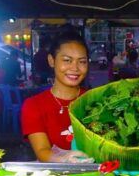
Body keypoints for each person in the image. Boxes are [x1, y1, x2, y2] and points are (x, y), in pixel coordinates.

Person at [21, 32, 92, 163]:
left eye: (82, 62)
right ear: (51, 60)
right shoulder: (34, 105)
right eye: (67, 60)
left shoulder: (95, 100)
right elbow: (42, 151)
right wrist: (64, 159)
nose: (75, 68)